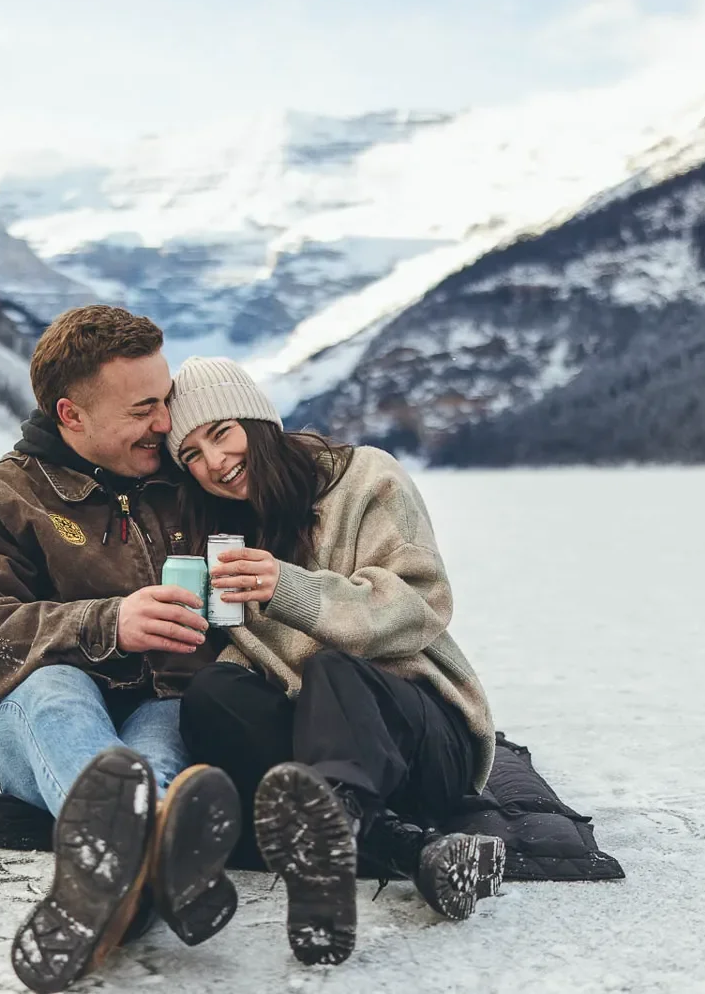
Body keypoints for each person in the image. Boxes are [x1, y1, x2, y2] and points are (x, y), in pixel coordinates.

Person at [0, 308, 241, 993]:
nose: (166, 423)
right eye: (145, 408)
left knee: (166, 730)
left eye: (169, 401)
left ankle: (121, 872)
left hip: (159, 699)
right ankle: (149, 858)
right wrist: (106, 624)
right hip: (35, 732)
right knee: (54, 690)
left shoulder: (189, 486)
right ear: (72, 415)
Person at [167, 356, 505, 967]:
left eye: (220, 433)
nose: (213, 462)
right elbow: (258, 668)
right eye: (190, 454)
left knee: (334, 668)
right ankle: (388, 844)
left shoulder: (367, 477)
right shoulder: (225, 537)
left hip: (423, 737)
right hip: (321, 746)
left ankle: (334, 828)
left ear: (258, 421)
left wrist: (289, 588)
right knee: (215, 692)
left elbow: (421, 603)